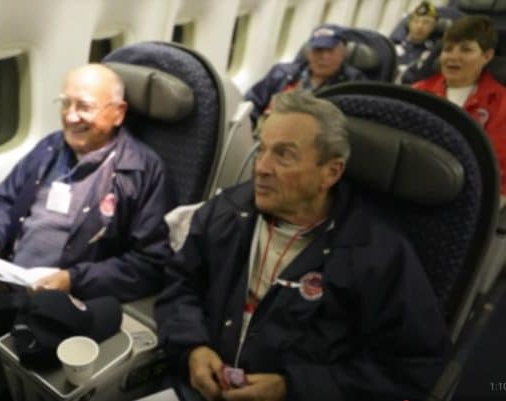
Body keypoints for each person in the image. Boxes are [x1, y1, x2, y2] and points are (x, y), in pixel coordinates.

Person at [155, 90, 450, 401]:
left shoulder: (377, 253)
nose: (262, 167)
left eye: (284, 154)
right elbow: (180, 285)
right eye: (262, 149)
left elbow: (412, 364)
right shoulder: (227, 212)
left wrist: (291, 387)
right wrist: (191, 348)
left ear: (331, 172)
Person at [0, 63, 172, 401]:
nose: (71, 117)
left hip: (59, 307)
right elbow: (3, 200)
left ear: (118, 113)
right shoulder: (50, 148)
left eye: (84, 106)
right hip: (2, 285)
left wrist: (71, 278)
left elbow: (149, 264)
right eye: (65, 104)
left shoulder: (142, 171)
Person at [413, 15, 506, 198]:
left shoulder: (501, 102)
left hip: (477, 194)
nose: (453, 57)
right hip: (417, 183)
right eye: (448, 49)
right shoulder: (418, 93)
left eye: (466, 50)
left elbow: (498, 166)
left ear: (486, 56)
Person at [244, 24, 365, 124]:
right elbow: (250, 104)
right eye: (318, 50)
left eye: (330, 51)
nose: (323, 57)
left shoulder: (353, 83)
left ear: (343, 54)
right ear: (308, 53)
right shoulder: (281, 73)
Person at [394, 1, 442, 85]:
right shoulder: (393, 46)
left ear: (433, 27)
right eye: (416, 21)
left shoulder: (433, 53)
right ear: (409, 24)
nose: (419, 26)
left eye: (426, 22)